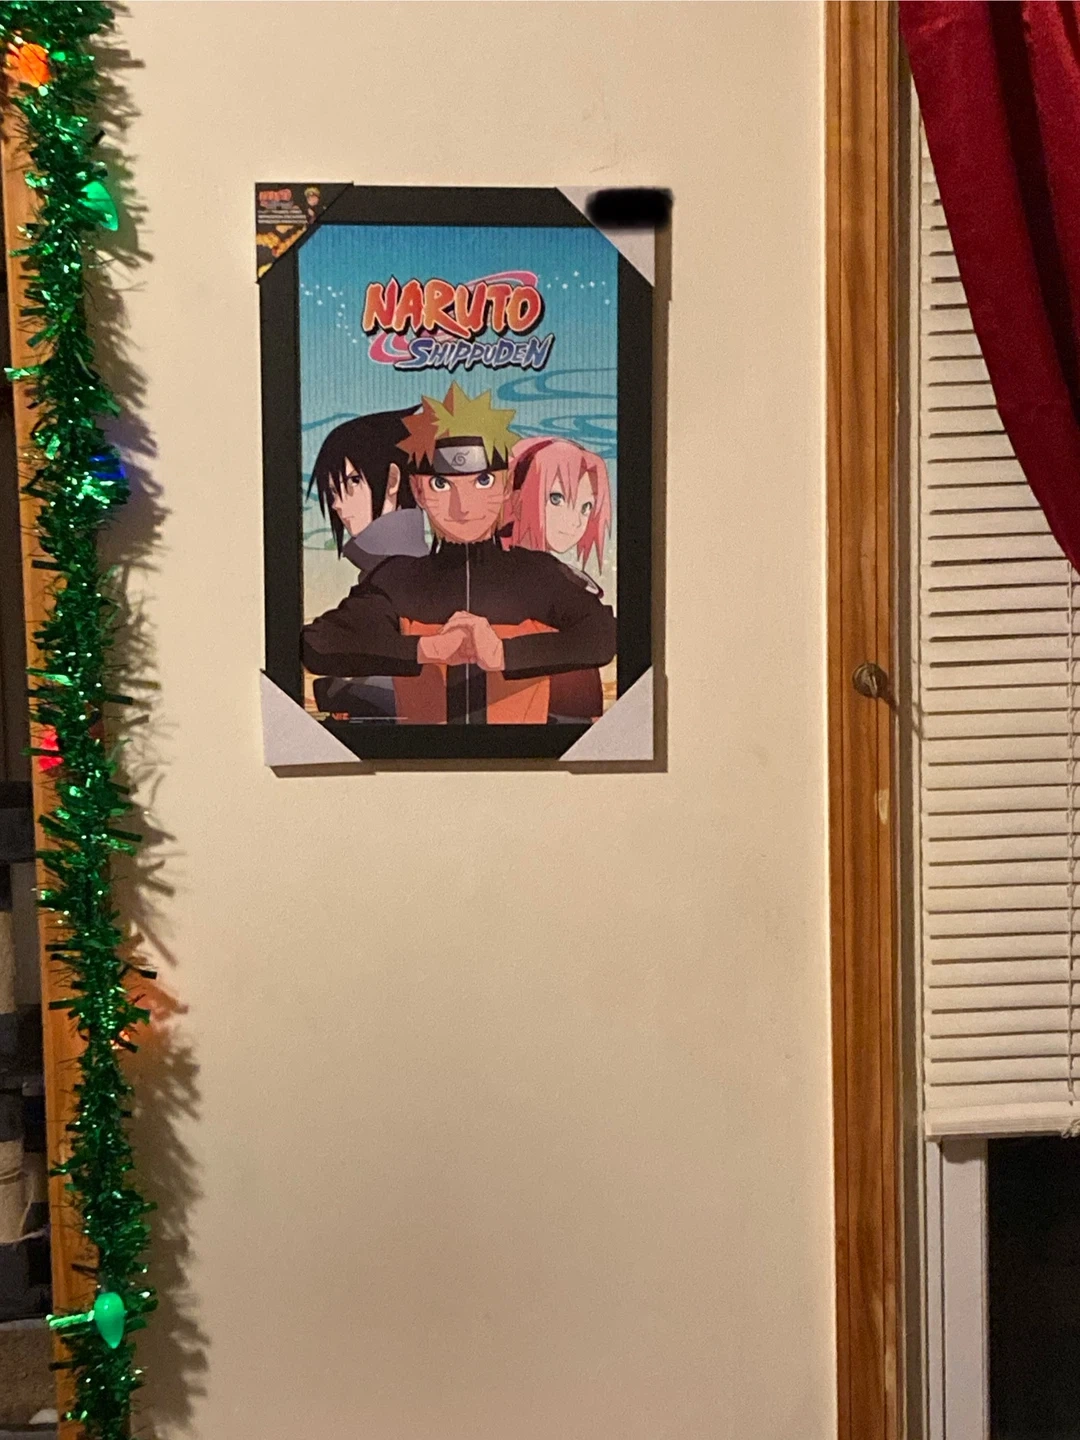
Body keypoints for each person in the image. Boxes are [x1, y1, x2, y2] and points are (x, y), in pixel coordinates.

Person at [302, 383, 616, 725]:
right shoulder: (397, 579)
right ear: (418, 491)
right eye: (441, 484)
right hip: (421, 754)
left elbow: (603, 636)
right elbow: (319, 644)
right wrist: (427, 648)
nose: (462, 505)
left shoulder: (538, 574)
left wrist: (503, 653)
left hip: (525, 753)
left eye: (482, 481)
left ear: (506, 486)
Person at [307, 408, 427, 718]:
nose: (337, 503)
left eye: (353, 481)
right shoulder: (384, 566)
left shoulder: (397, 571)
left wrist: (334, 691)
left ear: (393, 480)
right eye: (332, 490)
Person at [506, 437, 614, 721]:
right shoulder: (500, 578)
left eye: (586, 507)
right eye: (556, 499)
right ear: (515, 499)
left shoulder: (569, 582)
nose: (575, 521)